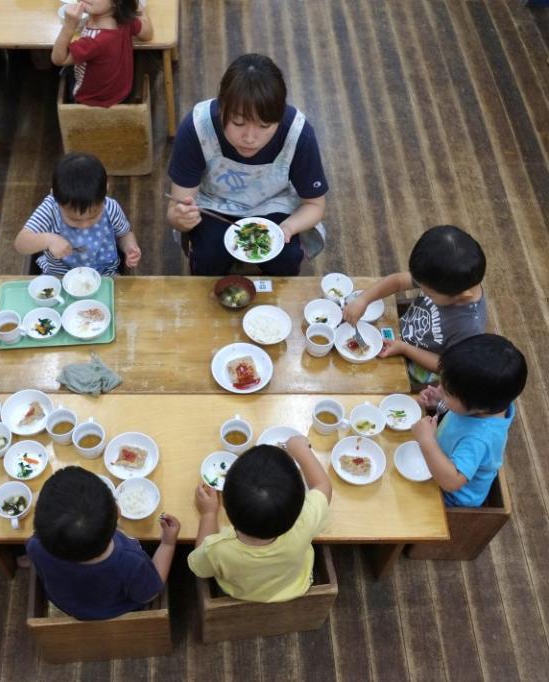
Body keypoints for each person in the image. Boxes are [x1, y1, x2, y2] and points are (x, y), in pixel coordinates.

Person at [166, 53, 328, 276]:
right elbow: (176, 210)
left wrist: (287, 228)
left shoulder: (298, 133)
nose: (250, 138)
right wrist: (182, 218)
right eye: (238, 123)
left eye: (264, 126)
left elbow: (315, 205)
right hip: (214, 206)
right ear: (220, 108)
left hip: (274, 204)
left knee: (285, 257)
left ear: (280, 118)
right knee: (208, 256)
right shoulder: (196, 127)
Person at [26, 466, 180, 620]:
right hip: (114, 612)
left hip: (69, 605)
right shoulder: (130, 562)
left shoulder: (35, 546)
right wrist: (168, 544)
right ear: (117, 511)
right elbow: (149, 595)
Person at [189, 437, 331, 602]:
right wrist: (301, 449)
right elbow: (322, 485)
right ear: (300, 502)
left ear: (225, 506)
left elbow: (199, 567)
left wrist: (209, 514)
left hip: (240, 593)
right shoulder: (305, 519)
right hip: (294, 583)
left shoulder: (216, 549)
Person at [344, 225, 486, 386]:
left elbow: (448, 366)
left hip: (417, 372)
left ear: (458, 294)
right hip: (399, 336)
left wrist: (405, 349)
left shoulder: (469, 327)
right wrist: (363, 300)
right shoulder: (443, 276)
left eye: (429, 294)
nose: (422, 290)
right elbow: (397, 282)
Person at [412, 334, 526, 507]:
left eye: (448, 392)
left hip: (450, 500)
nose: (440, 389)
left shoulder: (479, 439)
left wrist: (427, 442)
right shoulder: (487, 404)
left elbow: (451, 482)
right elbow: (463, 406)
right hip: (439, 461)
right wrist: (442, 401)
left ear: (480, 407)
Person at [14, 153, 141, 275]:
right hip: (59, 277)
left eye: (93, 217)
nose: (84, 225)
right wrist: (48, 240)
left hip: (105, 275)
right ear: (55, 198)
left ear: (105, 192)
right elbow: (20, 244)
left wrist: (130, 248)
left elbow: (124, 234)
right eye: (74, 220)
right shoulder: (50, 209)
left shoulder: (110, 208)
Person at [51, 0, 152, 107]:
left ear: (115, 3)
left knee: (62, 72)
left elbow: (58, 59)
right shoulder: (125, 19)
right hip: (121, 92)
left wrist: (69, 26)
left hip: (91, 100)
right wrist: (138, 6)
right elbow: (148, 35)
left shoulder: (94, 40)